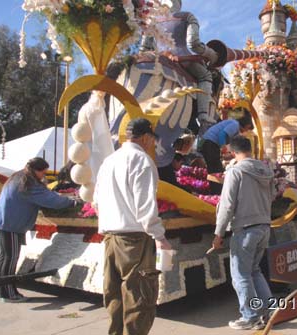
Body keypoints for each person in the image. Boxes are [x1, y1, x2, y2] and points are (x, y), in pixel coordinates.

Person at [94, 118, 172, 335]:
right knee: (139, 299)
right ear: (146, 137)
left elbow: (96, 202)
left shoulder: (109, 161)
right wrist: (160, 237)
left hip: (110, 238)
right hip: (135, 241)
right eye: (152, 140)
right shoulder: (142, 161)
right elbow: (145, 206)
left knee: (115, 298)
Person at [211, 136, 274, 330]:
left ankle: (250, 316)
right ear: (250, 149)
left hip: (245, 228)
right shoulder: (266, 171)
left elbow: (227, 204)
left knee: (241, 275)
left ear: (232, 152)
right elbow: (271, 197)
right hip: (263, 226)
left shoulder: (236, 171)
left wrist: (219, 233)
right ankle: (270, 310)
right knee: (254, 271)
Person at [0, 157, 79, 302]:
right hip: (12, 223)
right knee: (10, 257)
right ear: (36, 170)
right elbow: (50, 200)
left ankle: (0, 288)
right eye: (43, 172)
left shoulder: (19, 176)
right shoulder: (28, 183)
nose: (44, 176)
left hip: (5, 220)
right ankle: (8, 293)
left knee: (4, 256)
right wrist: (72, 202)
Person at [157, 0, 219, 135]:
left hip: (158, 58)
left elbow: (145, 47)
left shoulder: (152, 20)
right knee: (205, 76)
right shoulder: (186, 17)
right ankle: (203, 118)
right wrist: (211, 54)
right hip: (181, 58)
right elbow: (194, 44)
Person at [200, 112, 254, 193]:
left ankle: (216, 191)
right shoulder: (235, 124)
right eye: (248, 127)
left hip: (210, 144)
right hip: (210, 143)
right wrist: (223, 147)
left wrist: (229, 153)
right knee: (216, 169)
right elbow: (222, 134)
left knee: (215, 169)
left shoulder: (235, 129)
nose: (247, 130)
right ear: (245, 123)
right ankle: (217, 192)